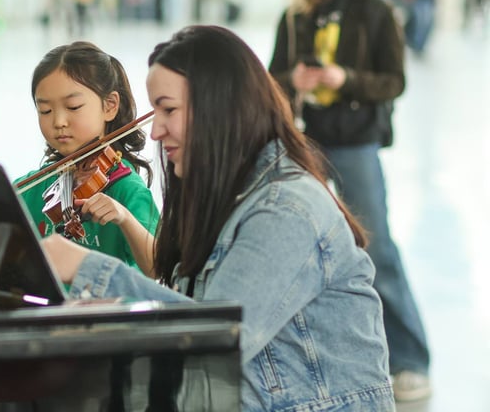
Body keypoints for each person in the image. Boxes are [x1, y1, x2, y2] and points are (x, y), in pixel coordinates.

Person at [42, 25, 394, 411]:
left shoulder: (286, 209)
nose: (156, 130)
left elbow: (213, 337)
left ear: (219, 109)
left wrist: (89, 269)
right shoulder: (223, 195)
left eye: (169, 110)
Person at [268, 0, 430, 402]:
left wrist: (347, 78)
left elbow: (394, 81)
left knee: (376, 246)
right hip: (308, 140)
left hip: (357, 142)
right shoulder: (296, 15)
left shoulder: (374, 11)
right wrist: (291, 78)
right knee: (301, 244)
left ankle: (410, 358)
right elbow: (270, 79)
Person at [15, 41, 158, 277]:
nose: (58, 121)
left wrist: (124, 218)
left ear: (110, 106)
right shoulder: (41, 184)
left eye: (73, 107)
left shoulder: (127, 190)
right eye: (45, 111)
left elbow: (157, 269)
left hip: (105, 310)